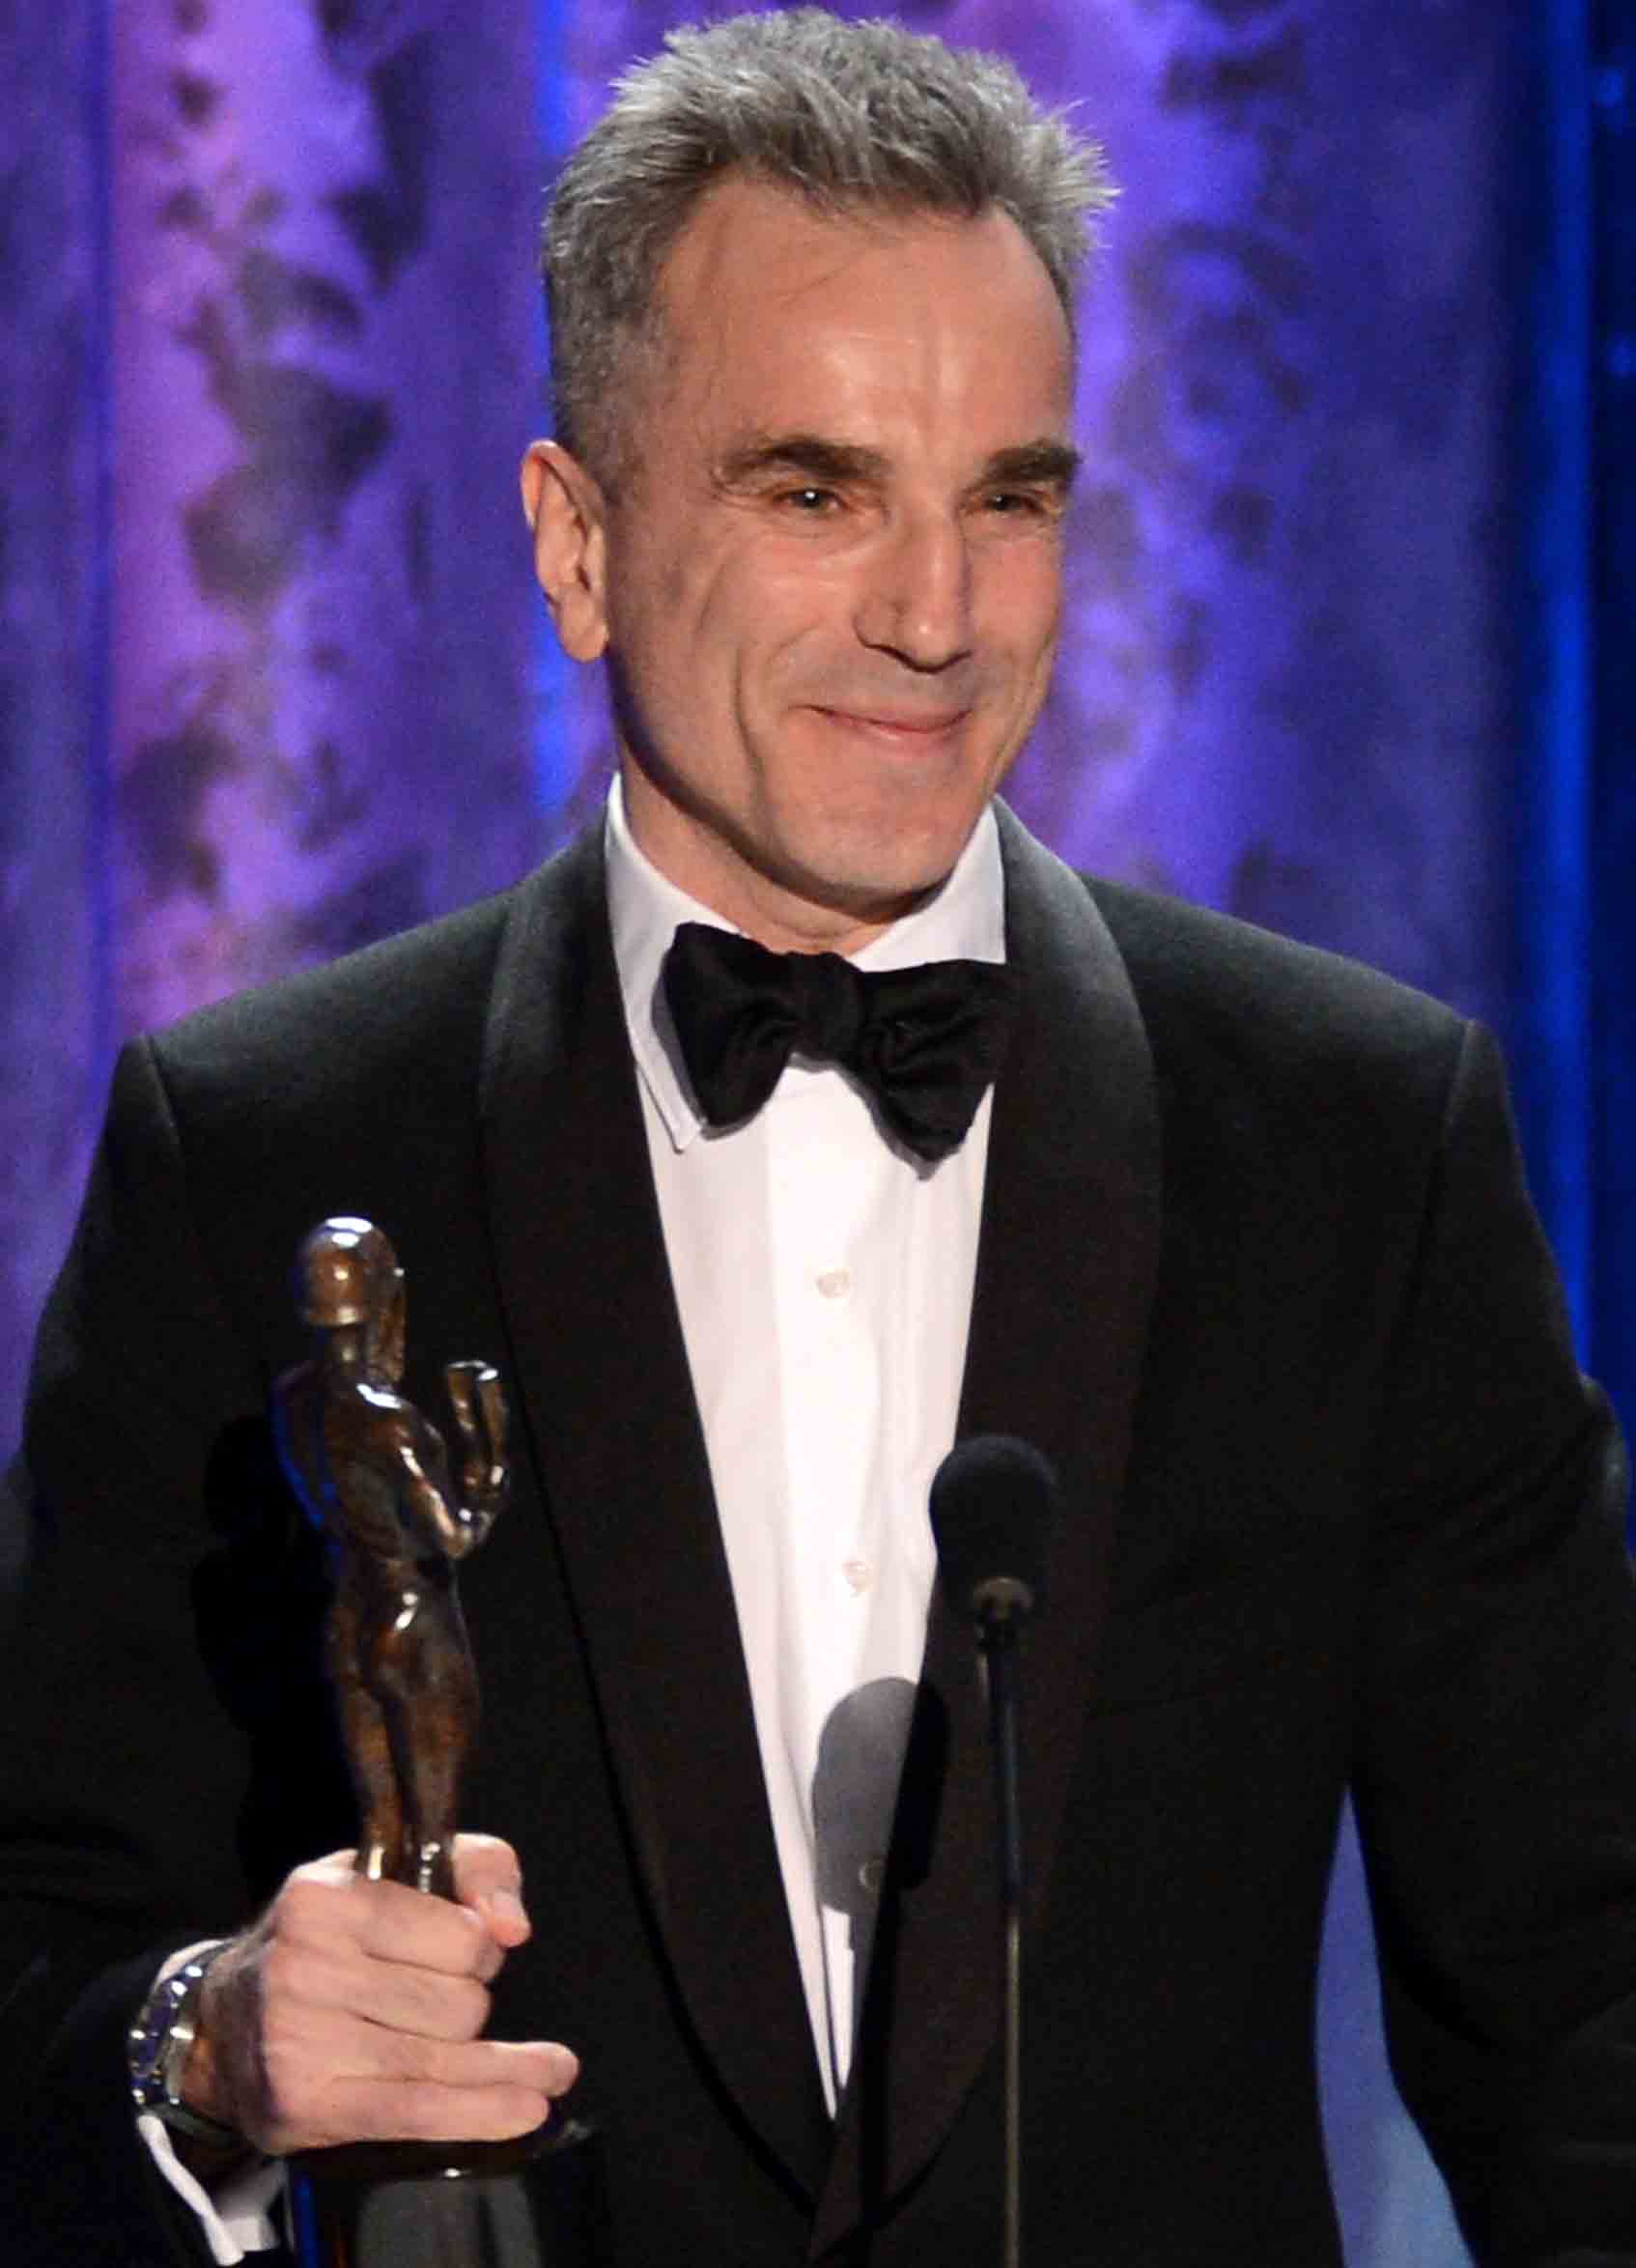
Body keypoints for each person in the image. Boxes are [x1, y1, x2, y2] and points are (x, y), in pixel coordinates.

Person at [5, 9, 1636, 2264]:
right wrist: (210, 2042)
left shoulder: (1358, 1143)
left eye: (1008, 498)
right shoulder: (261, 1151)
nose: (934, 617)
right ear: (577, 543)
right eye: (814, 492)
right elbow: (44, 1963)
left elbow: (1585, 2027)